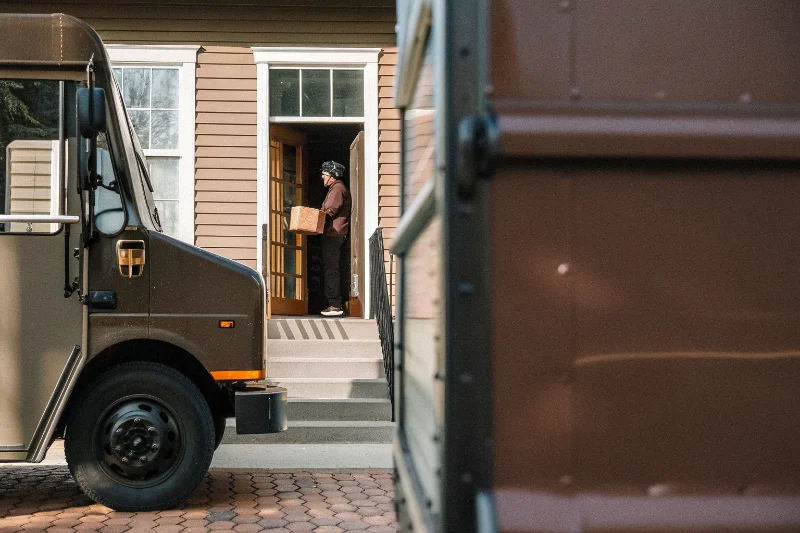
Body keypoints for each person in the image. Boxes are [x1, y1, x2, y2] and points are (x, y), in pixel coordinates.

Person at [319, 160, 352, 317]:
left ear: (332, 176)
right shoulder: (336, 188)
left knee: (331, 269)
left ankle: (335, 305)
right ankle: (335, 303)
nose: (322, 177)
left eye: (324, 174)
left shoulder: (337, 189)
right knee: (332, 268)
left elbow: (329, 211)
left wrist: (311, 217)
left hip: (333, 235)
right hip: (334, 234)